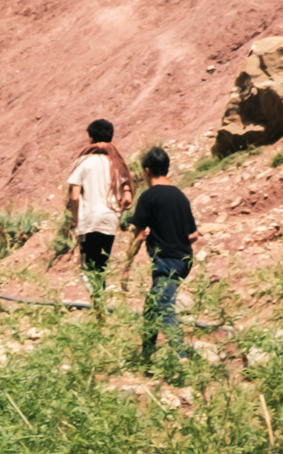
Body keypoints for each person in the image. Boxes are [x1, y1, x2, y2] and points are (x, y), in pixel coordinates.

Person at [119, 146, 199, 368]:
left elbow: (137, 237)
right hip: (184, 260)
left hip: (167, 261)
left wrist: (126, 268)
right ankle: (146, 359)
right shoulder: (180, 196)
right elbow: (193, 235)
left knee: (163, 305)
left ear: (146, 170)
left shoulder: (149, 197)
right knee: (150, 308)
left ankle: (184, 359)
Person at [62, 120, 133, 301]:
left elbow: (75, 196)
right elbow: (127, 198)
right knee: (102, 265)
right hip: (109, 220)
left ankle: (98, 307)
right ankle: (101, 305)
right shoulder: (116, 164)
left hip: (89, 221)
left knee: (87, 267)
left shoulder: (84, 162)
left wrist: (76, 220)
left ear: (91, 138)